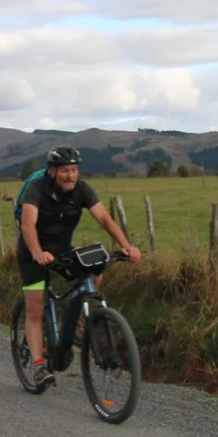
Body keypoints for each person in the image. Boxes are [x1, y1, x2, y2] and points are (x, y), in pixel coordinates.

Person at [17, 145, 141, 387]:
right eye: (65, 170)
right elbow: (27, 225)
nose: (71, 175)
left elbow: (104, 218)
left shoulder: (82, 189)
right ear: (52, 171)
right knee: (35, 310)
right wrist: (37, 252)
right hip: (33, 252)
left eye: (74, 170)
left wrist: (127, 246)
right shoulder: (36, 190)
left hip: (62, 249)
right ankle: (39, 366)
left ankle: (77, 321)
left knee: (95, 268)